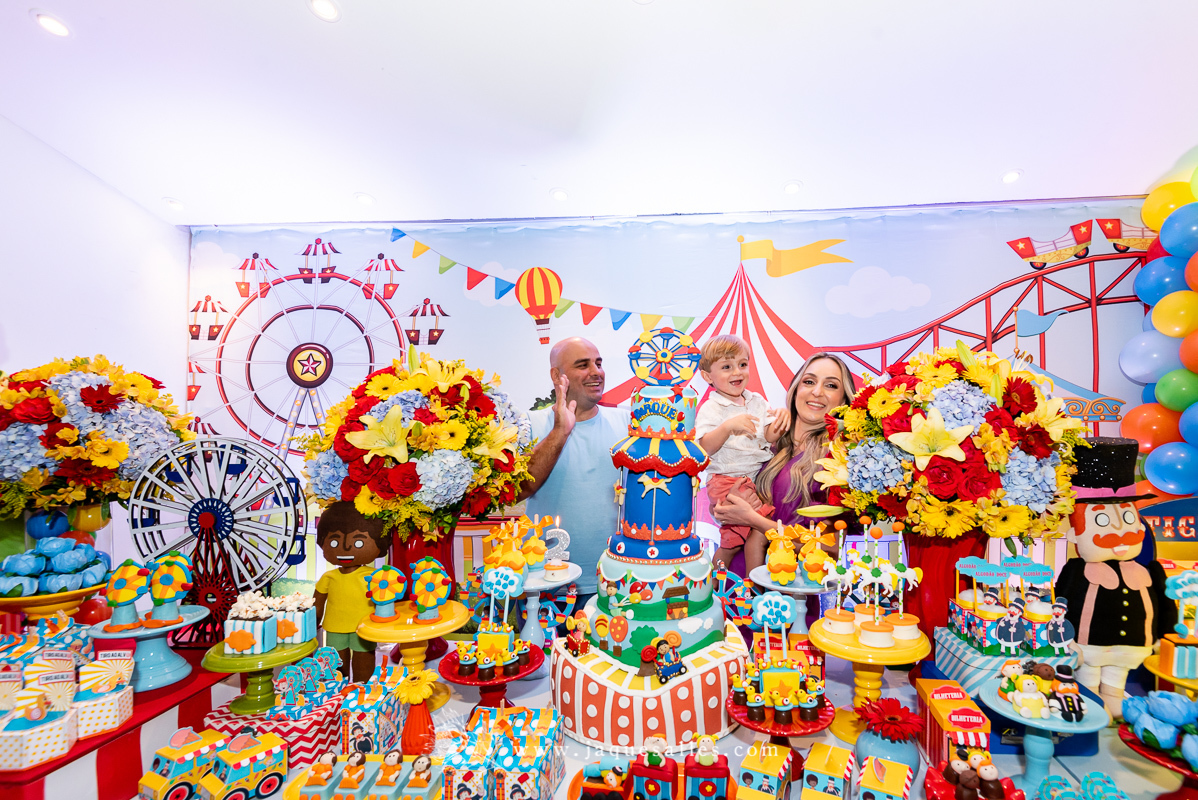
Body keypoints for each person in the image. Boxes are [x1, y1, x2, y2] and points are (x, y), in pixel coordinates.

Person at [712, 353, 857, 560]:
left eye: (831, 386)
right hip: (734, 581)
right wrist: (727, 504)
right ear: (796, 388)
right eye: (809, 381)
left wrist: (754, 520)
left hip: (791, 584)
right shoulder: (763, 440)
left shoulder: (841, 461)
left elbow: (830, 549)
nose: (817, 392)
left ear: (843, 399)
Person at [519, 337, 624, 600]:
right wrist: (559, 432)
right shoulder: (529, 424)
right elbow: (517, 490)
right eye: (583, 365)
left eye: (598, 363)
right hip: (544, 585)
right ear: (557, 375)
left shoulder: (628, 421)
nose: (596, 372)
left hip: (615, 585)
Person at [695, 334, 787, 573]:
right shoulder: (712, 407)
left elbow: (769, 436)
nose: (737, 372)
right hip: (727, 480)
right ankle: (752, 585)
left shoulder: (756, 401)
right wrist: (726, 427)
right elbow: (704, 447)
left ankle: (719, 581)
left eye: (742, 364)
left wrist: (781, 419)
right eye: (726, 367)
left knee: (733, 540)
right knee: (758, 529)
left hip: (755, 478)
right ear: (708, 377)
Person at [313, 501, 391, 683]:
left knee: (364, 661)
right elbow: (317, 603)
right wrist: (312, 623)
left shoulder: (374, 576)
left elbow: (386, 599)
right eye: (334, 541)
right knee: (334, 663)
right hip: (334, 628)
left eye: (358, 541)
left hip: (364, 628)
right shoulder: (328, 577)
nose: (346, 548)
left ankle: (360, 691)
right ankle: (335, 693)